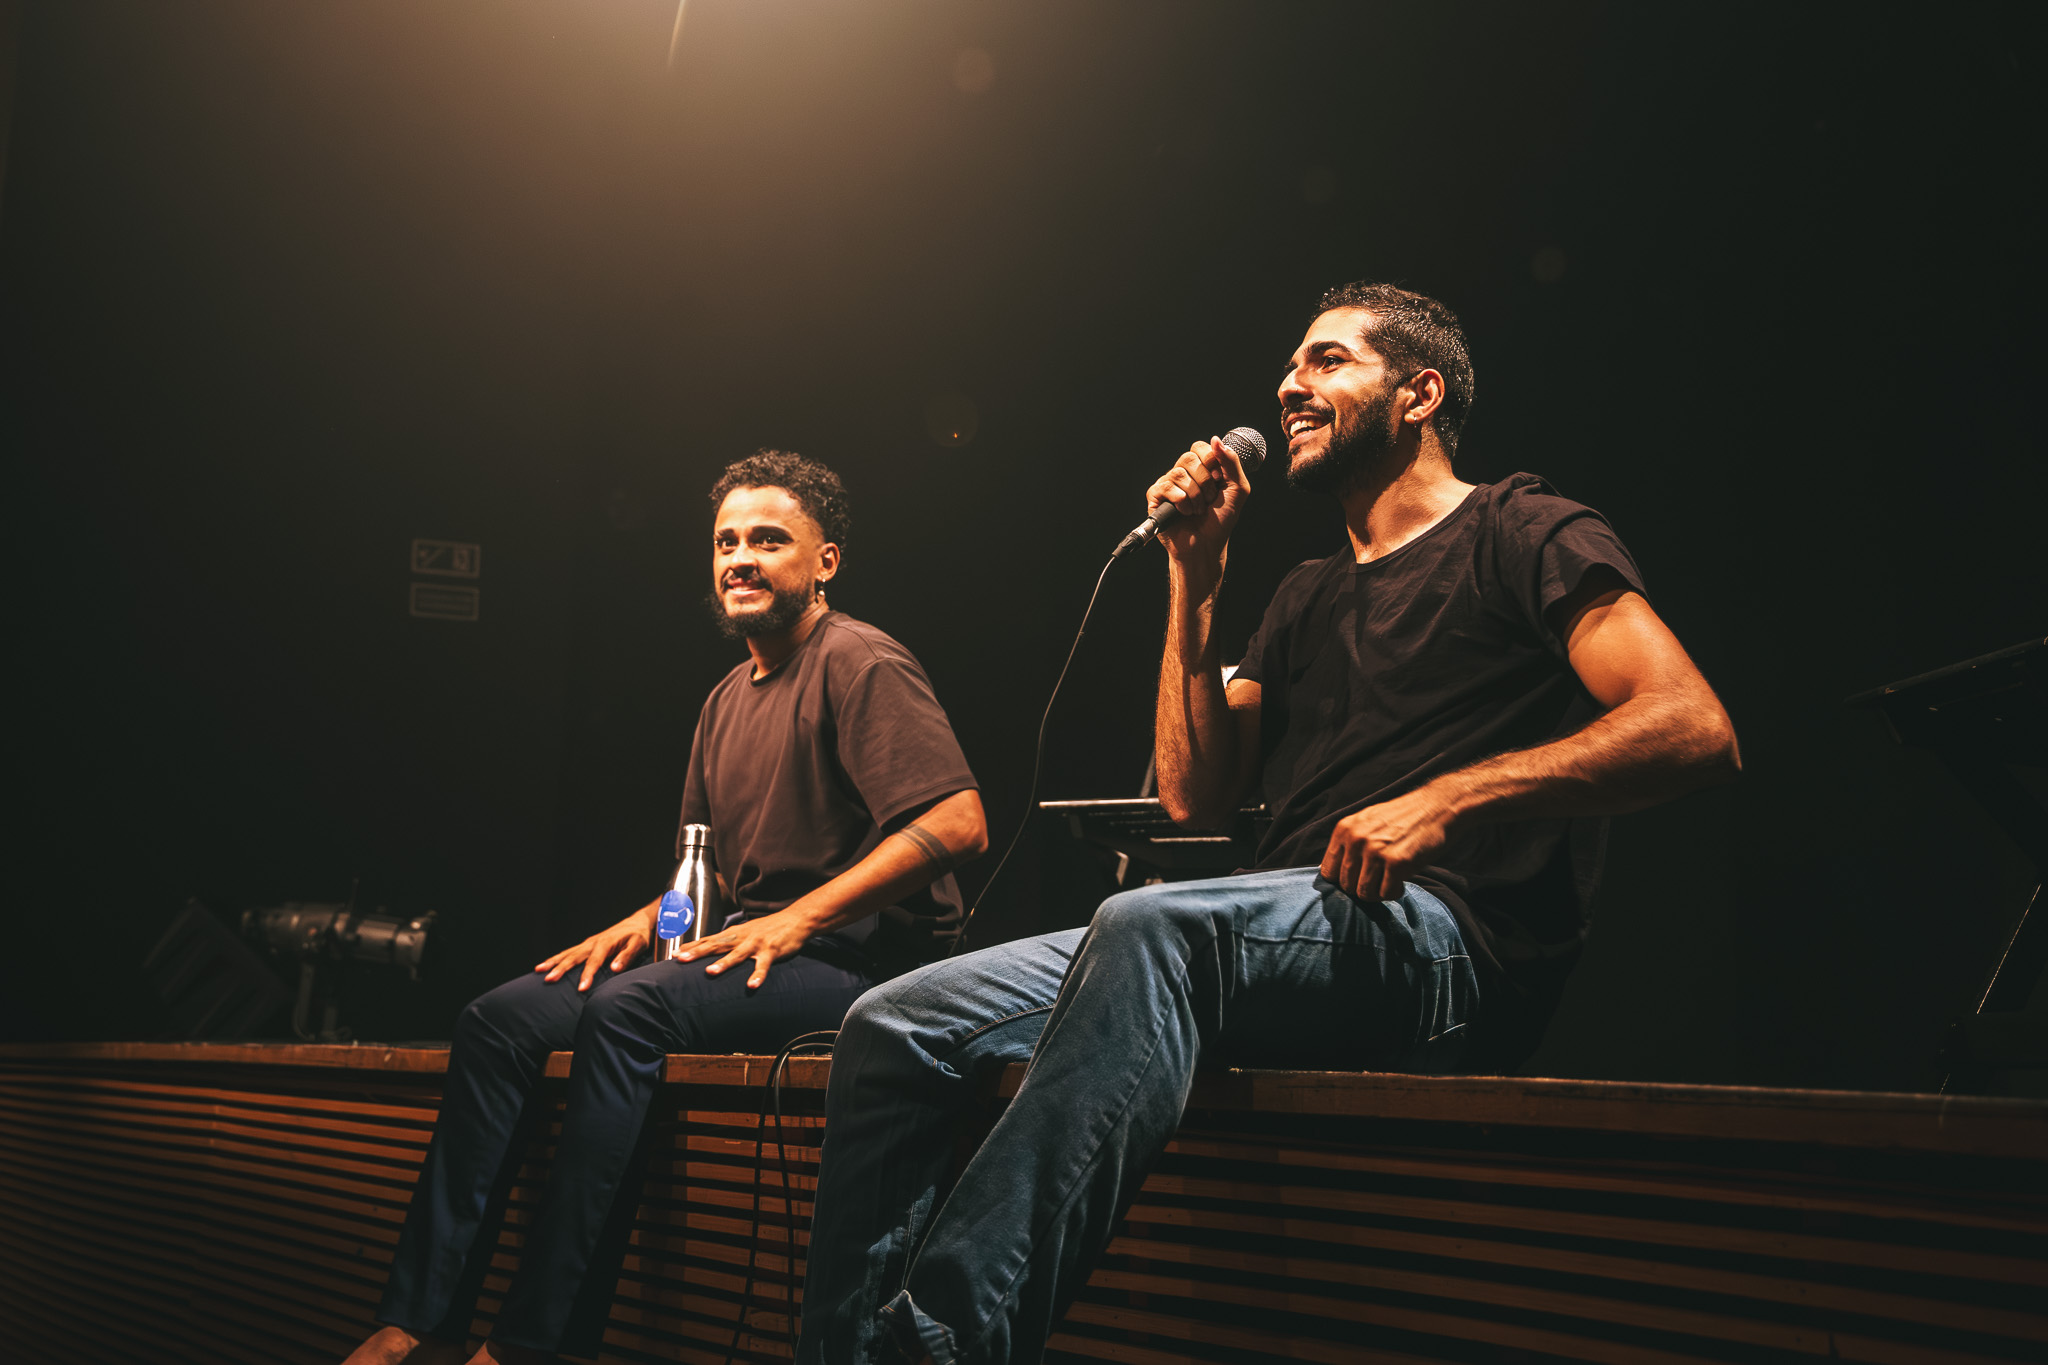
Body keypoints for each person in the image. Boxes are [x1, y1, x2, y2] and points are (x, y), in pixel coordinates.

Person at [796, 283, 1741, 1365]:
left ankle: (935, 1351)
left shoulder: (1521, 530)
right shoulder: (1303, 595)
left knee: (1149, 925)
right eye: (1291, 367)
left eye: (1327, 361)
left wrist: (1450, 795)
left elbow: (1691, 724)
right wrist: (1193, 581)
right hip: (1284, 934)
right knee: (889, 1024)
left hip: (1446, 943)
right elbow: (1193, 792)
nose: (1290, 385)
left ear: (1417, 392)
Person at [345, 451, 988, 1365]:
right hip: (751, 948)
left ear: (825, 561)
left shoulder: (860, 659)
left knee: (627, 1009)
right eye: (727, 541)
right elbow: (706, 872)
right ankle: (418, 1319)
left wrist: (799, 919)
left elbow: (959, 822)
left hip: (855, 965)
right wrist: (642, 920)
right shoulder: (725, 698)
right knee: (500, 1020)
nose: (740, 558)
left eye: (769, 539)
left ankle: (535, 1343)